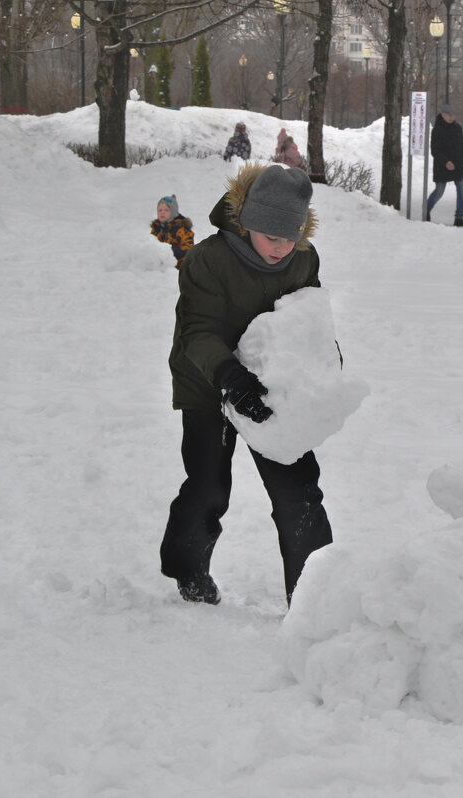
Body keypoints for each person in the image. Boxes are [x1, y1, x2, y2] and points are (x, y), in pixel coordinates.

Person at [162, 164, 334, 606]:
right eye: (270, 237)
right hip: (207, 381)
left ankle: (316, 597)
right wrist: (227, 377)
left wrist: (324, 363)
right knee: (207, 486)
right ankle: (189, 570)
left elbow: (307, 319)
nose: (281, 249)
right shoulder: (208, 259)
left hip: (272, 388)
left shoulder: (303, 258)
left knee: (298, 492)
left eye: (289, 237)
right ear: (248, 223)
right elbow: (197, 331)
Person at [426, 103, 463, 227]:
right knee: (439, 191)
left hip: (458, 165)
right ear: (442, 115)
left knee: (462, 191)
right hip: (442, 166)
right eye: (448, 115)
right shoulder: (437, 129)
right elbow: (435, 150)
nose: (451, 117)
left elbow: (462, 150)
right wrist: (446, 162)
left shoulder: (458, 129)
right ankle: (426, 209)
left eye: (452, 115)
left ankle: (459, 218)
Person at [150, 195, 195, 270]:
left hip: (179, 267)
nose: (162, 213)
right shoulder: (156, 227)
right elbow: (151, 243)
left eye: (166, 210)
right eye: (160, 210)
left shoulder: (181, 228)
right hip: (160, 266)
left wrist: (171, 252)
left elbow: (189, 248)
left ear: (173, 212)